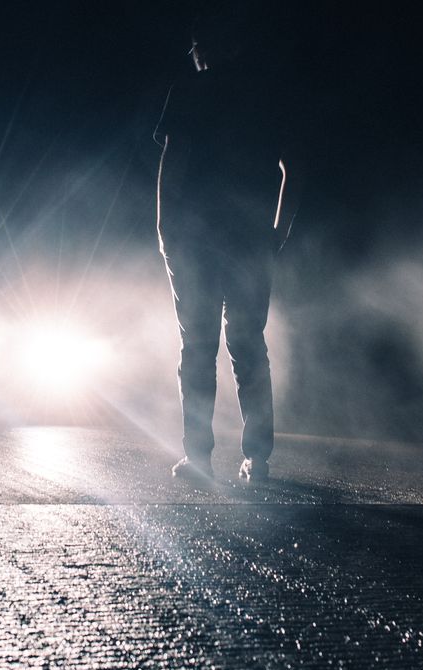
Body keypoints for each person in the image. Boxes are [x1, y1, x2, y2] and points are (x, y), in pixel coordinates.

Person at [154, 9, 300, 482]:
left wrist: (165, 231)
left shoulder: (190, 91)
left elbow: (172, 167)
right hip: (249, 238)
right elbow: (292, 169)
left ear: (203, 48)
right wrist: (279, 229)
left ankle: (199, 458)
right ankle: (257, 458)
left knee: (198, 347)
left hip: (196, 238)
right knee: (247, 345)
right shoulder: (269, 96)